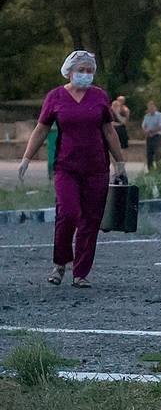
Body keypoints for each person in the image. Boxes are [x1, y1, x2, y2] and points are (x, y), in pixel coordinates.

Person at [17, 51, 127, 289]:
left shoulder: (99, 96)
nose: (85, 75)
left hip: (96, 167)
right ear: (69, 71)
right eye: (81, 70)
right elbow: (41, 129)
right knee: (68, 213)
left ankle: (81, 273)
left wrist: (120, 162)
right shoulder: (55, 97)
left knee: (91, 219)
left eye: (89, 71)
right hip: (66, 166)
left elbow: (109, 131)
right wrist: (27, 157)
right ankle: (60, 262)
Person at [141, 101, 161, 172]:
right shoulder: (146, 116)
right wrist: (146, 132)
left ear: (155, 108)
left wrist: (152, 132)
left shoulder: (160, 115)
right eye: (149, 108)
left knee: (158, 153)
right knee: (149, 154)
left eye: (152, 107)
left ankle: (158, 170)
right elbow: (143, 126)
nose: (151, 109)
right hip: (149, 137)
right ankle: (150, 170)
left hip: (157, 136)